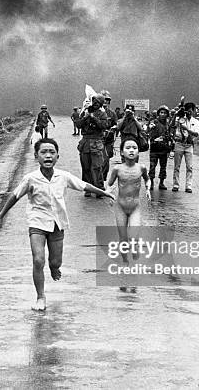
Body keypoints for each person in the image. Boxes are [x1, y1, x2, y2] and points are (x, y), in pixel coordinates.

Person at [0, 138, 115, 311]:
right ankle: (40, 297)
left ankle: (54, 267)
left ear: (57, 156)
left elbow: (84, 185)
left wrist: (105, 193)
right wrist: (0, 216)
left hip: (57, 223)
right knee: (38, 259)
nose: (48, 155)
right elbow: (15, 196)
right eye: (43, 152)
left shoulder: (63, 177)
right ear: (36, 156)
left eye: (51, 152)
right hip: (37, 222)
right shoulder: (31, 178)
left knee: (55, 262)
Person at [107, 137, 151, 268]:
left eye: (134, 148)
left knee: (134, 236)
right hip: (120, 207)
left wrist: (148, 189)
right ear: (121, 152)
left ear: (138, 152)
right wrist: (109, 193)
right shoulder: (117, 169)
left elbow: (147, 180)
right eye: (128, 148)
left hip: (135, 207)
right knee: (123, 237)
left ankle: (135, 259)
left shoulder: (141, 168)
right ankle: (125, 261)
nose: (131, 150)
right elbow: (109, 184)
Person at [76, 93, 109, 197]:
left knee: (97, 167)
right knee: (85, 166)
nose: (95, 104)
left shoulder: (102, 114)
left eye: (97, 102)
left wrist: (93, 118)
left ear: (101, 104)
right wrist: (86, 116)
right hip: (85, 142)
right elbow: (78, 124)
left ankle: (99, 188)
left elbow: (103, 125)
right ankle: (88, 188)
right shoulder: (85, 111)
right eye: (93, 101)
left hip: (96, 142)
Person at [171, 101, 199, 193]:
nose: (189, 112)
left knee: (189, 167)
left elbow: (196, 134)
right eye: (187, 111)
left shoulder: (195, 121)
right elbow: (171, 126)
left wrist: (186, 129)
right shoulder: (180, 119)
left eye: (191, 111)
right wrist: (176, 114)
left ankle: (188, 186)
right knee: (177, 166)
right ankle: (176, 184)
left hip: (189, 145)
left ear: (194, 111)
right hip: (179, 144)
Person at [148, 105, 172, 190]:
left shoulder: (168, 124)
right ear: (158, 113)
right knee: (152, 166)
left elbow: (170, 135)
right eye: (161, 112)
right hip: (154, 148)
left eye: (165, 113)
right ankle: (151, 182)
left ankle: (161, 183)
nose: (163, 114)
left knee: (163, 167)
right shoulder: (154, 122)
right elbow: (149, 130)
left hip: (164, 149)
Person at [101, 90, 118, 181]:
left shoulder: (112, 113)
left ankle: (102, 179)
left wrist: (113, 129)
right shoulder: (95, 112)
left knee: (106, 160)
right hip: (97, 140)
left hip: (108, 140)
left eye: (107, 100)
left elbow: (116, 124)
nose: (105, 102)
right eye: (103, 100)